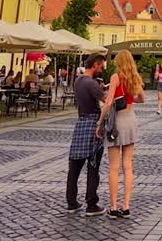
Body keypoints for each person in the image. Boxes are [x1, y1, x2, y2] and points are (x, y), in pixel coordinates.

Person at [96, 51, 145, 219]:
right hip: (131, 120)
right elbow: (141, 99)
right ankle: (126, 206)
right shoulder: (135, 77)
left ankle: (114, 206)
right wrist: (128, 98)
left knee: (114, 167)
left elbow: (108, 102)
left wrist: (99, 123)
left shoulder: (116, 77)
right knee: (128, 166)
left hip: (117, 122)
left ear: (119, 62)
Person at [66, 54, 107, 217]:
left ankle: (71, 202)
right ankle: (92, 203)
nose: (102, 69)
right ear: (95, 65)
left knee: (74, 166)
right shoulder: (92, 83)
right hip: (92, 124)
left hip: (80, 122)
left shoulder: (78, 81)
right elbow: (106, 100)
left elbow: (91, 95)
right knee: (93, 165)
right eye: (101, 66)